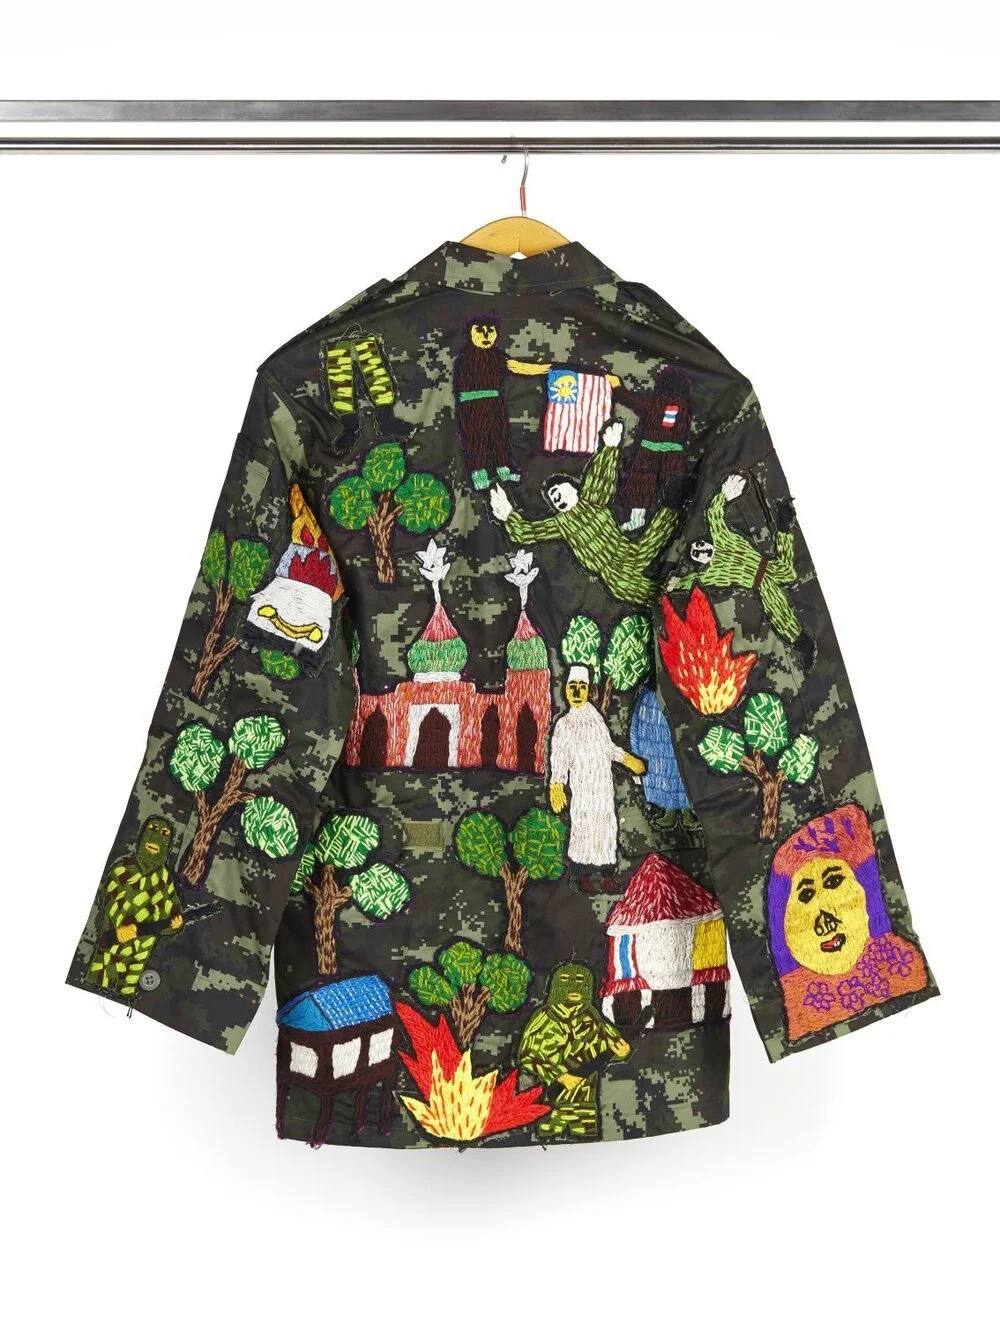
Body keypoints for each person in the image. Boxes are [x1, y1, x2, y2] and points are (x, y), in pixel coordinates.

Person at [767, 805, 928, 1041]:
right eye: (806, 895)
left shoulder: (904, 970)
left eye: (834, 882)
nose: (825, 921)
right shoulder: (800, 1011)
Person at [491, 419, 678, 606]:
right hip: (611, 573)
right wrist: (508, 515)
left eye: (559, 492)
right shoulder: (561, 523)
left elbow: (600, 477)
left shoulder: (592, 500)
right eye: (553, 498)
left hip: (628, 552)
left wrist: (609, 449)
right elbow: (529, 531)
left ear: (574, 489)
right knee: (635, 590)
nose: (557, 498)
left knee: (651, 542)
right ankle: (672, 598)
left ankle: (673, 505)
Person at [549, 665, 645, 894]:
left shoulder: (595, 719)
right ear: (566, 690)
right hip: (581, 788)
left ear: (588, 690)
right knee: (583, 828)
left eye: (581, 687)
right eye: (572, 687)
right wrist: (556, 785)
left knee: (605, 827)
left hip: (602, 787)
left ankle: (606, 876)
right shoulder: (564, 725)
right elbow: (559, 758)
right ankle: (581, 876)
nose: (576, 691)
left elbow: (608, 748)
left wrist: (628, 760)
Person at [518, 963, 631, 1139]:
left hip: (584, 1102)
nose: (574, 987)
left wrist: (622, 1051)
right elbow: (527, 1056)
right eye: (565, 980)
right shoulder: (544, 1018)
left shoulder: (592, 1018)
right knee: (546, 1143)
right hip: (550, 1103)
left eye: (580, 981)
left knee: (588, 1146)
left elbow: (611, 1044)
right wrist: (559, 1076)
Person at [86, 817, 184, 997]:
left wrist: (175, 925)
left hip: (140, 950)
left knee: (127, 984)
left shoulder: (164, 879)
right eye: (153, 830)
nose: (156, 838)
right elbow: (107, 897)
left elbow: (172, 908)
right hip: (114, 939)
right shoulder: (123, 868)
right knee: (103, 975)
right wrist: (122, 926)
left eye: (164, 834)